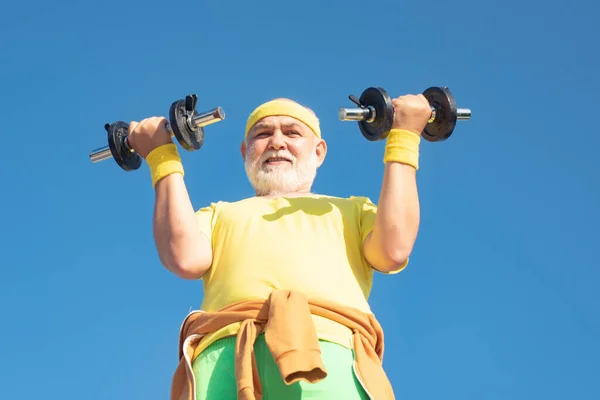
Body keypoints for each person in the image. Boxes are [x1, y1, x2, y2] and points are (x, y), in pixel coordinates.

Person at [127, 92, 432, 400]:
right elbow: (183, 257)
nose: (276, 142)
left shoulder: (351, 210)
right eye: (262, 134)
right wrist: (161, 156)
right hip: (224, 363)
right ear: (245, 151)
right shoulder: (218, 214)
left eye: (292, 132)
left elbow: (393, 250)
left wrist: (404, 137)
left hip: (331, 358)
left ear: (319, 151)